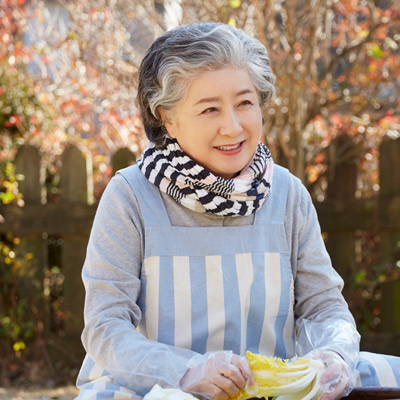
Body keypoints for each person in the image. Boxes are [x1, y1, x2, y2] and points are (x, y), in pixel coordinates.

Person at [75, 22, 400, 400]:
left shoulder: (288, 194)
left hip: (268, 389)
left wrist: (332, 354)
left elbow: (325, 309)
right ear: (167, 118)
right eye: (209, 108)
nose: (232, 127)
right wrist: (185, 371)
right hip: (154, 386)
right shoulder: (130, 196)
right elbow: (105, 327)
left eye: (245, 102)